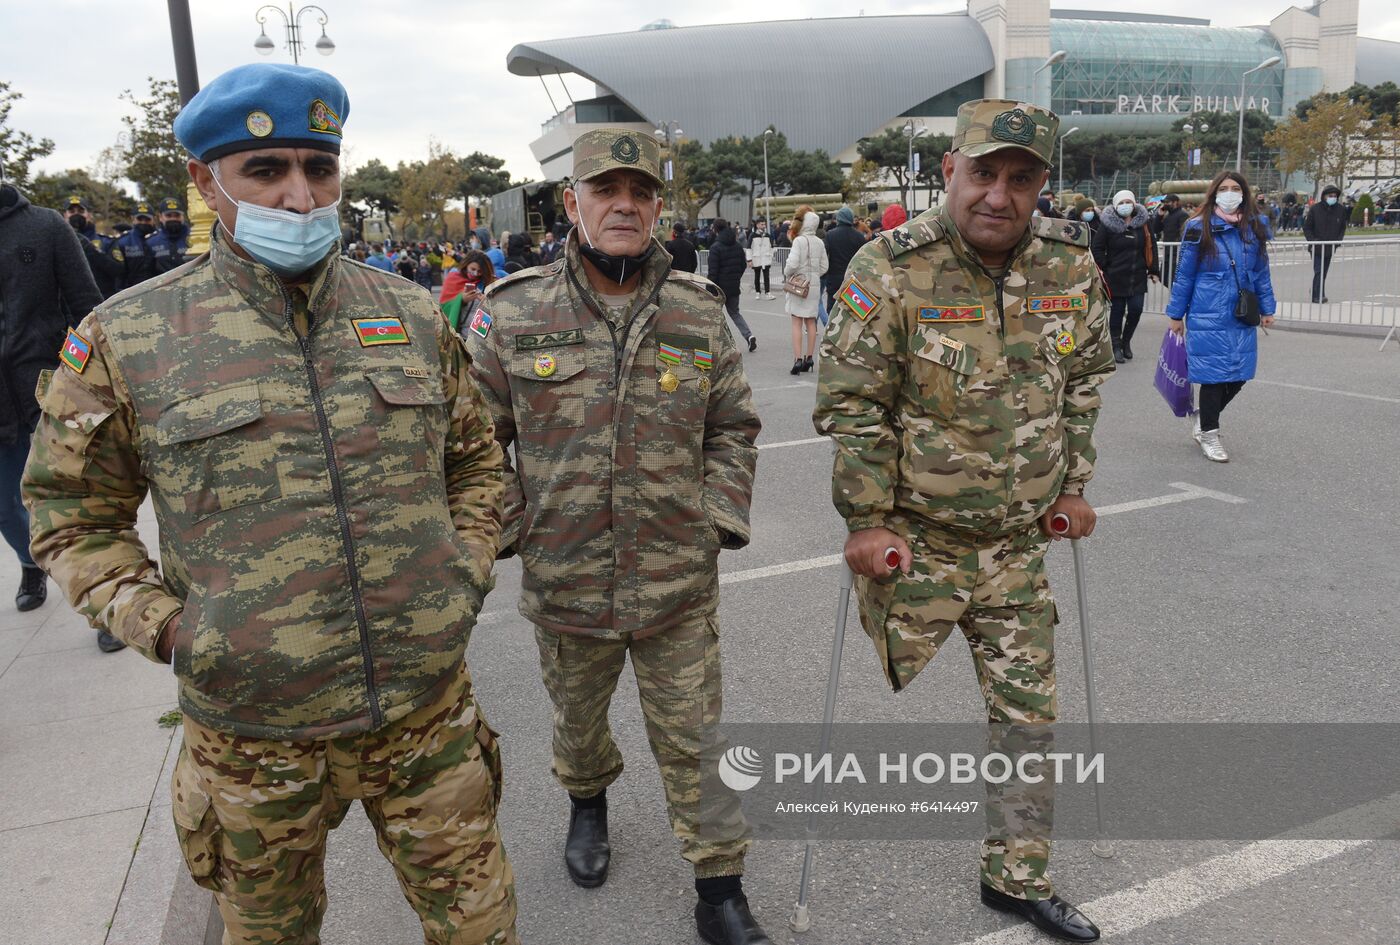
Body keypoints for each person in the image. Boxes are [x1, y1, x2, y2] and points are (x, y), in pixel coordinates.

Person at [22, 62, 518, 943]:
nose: (299, 197)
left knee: (482, 929)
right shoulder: (127, 337)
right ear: (206, 182)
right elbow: (69, 515)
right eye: (267, 171)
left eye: (318, 169)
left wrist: (464, 565)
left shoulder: (406, 314)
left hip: (425, 715)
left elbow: (478, 462)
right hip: (253, 742)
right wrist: (167, 626)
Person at [814, 98, 1114, 943]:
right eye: (984, 173)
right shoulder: (888, 266)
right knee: (881, 688)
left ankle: (1015, 877)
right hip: (922, 545)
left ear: (1041, 185)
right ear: (950, 171)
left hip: (1020, 547)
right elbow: (853, 403)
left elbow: (1086, 379)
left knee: (1029, 716)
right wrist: (867, 519)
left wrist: (1074, 484)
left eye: (1022, 178)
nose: (1000, 194)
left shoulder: (1069, 267)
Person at [468, 128, 770, 945]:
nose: (625, 206)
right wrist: (517, 525)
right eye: (607, 190)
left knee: (697, 738)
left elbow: (734, 427)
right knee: (578, 722)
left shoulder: (696, 311)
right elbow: (468, 440)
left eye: (640, 193)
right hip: (566, 581)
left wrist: (716, 519)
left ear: (659, 207)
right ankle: (588, 803)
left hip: (677, 579)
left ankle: (720, 888)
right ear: (573, 203)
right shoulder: (512, 312)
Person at [0, 179, 103, 619]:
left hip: (48, 384)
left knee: (78, 500)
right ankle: (31, 563)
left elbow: (86, 305)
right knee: (6, 507)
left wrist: (93, 381)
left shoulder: (45, 226)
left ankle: (103, 599)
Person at [1165, 170, 1276, 463]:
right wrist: (1176, 314)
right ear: (1214, 193)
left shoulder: (1254, 227)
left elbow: (1261, 272)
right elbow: (1184, 275)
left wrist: (1268, 308)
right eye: (1224, 188)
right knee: (1213, 377)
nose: (1230, 193)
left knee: (1240, 374)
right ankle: (1210, 434)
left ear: (1244, 193)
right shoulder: (1197, 227)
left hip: (1242, 313)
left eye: (1235, 188)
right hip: (1207, 313)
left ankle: (1204, 418)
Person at [1091, 190, 1159, 364]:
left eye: (1128, 202)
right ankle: (1115, 346)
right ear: (1115, 205)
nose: (1125, 205)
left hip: (1137, 274)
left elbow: (1152, 245)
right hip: (1116, 276)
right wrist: (1106, 266)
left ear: (1134, 203)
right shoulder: (1107, 225)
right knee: (1117, 311)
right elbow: (1097, 247)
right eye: (1121, 203)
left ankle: (1126, 341)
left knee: (1136, 309)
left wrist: (1153, 269)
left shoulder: (1143, 223)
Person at [782, 206, 827, 374]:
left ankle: (797, 359)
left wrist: (787, 273)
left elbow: (792, 264)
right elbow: (824, 266)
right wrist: (814, 275)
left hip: (798, 286)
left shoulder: (799, 241)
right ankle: (810, 358)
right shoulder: (820, 242)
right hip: (814, 286)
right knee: (811, 321)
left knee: (796, 322)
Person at [707, 218, 757, 352]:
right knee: (735, 313)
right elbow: (742, 265)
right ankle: (749, 335)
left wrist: (709, 288)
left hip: (718, 288)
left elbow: (713, 272)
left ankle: (720, 344)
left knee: (715, 315)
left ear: (715, 229)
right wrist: (736, 278)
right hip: (734, 286)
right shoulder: (737, 245)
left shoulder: (715, 247)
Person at [62, 194, 123, 298]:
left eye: (81, 211)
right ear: (65, 216)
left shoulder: (106, 242)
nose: (76, 215)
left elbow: (119, 271)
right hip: (71, 304)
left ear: (89, 215)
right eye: (72, 212)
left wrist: (91, 251)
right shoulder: (58, 243)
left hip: (102, 300)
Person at [1304, 184, 1347, 303]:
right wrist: (1313, 241)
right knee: (1319, 270)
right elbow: (1307, 228)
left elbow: (1342, 227)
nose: (1333, 198)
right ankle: (1316, 295)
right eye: (1330, 195)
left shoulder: (1341, 210)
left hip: (1330, 246)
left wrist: (1338, 241)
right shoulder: (1315, 209)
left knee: (1324, 272)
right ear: (1324, 196)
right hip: (1317, 246)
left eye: (1335, 196)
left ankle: (1319, 292)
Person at [823, 205, 868, 312]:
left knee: (832, 309)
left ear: (839, 218)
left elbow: (826, 255)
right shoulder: (859, 236)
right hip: (853, 278)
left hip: (834, 277)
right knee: (853, 310)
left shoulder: (830, 235)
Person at [108, 202, 158, 292]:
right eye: (140, 219)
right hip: (132, 293)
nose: (143, 222)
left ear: (154, 219)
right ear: (133, 219)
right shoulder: (122, 242)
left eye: (147, 219)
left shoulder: (160, 239)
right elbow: (118, 274)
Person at [147, 196, 190, 275]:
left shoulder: (194, 237)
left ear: (183, 216)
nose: (173, 218)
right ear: (160, 217)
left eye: (177, 215)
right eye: (169, 215)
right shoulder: (151, 242)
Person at [1157, 193, 1188, 287]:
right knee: (1163, 277)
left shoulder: (1182, 214)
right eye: (1164, 202)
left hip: (1176, 252)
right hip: (1167, 251)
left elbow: (1184, 233)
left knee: (1174, 279)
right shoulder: (1166, 216)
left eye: (1168, 202)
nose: (1165, 204)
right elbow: (1156, 229)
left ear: (1175, 203)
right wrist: (1159, 216)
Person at [748, 219, 774, 299]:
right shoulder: (752, 235)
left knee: (767, 277)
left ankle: (768, 292)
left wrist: (771, 256)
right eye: (762, 224)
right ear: (757, 225)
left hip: (766, 259)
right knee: (757, 276)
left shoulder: (768, 235)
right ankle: (757, 292)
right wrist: (749, 260)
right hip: (757, 258)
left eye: (764, 224)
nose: (764, 226)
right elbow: (749, 248)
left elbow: (771, 247)